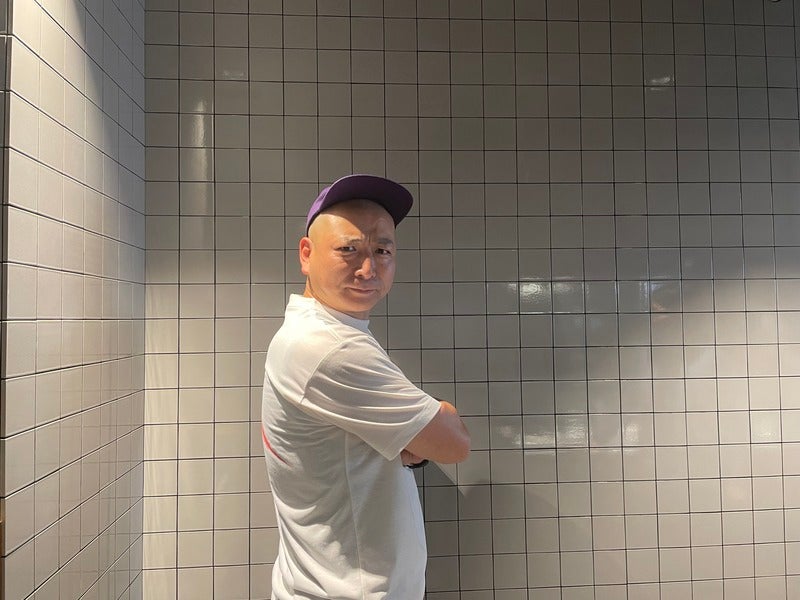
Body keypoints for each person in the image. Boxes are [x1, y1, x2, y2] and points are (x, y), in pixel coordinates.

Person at [261, 174, 471, 599]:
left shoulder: (329, 330)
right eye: (348, 249)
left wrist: (413, 436)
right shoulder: (331, 348)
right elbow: (453, 443)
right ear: (306, 254)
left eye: (382, 250)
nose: (368, 268)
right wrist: (431, 422)